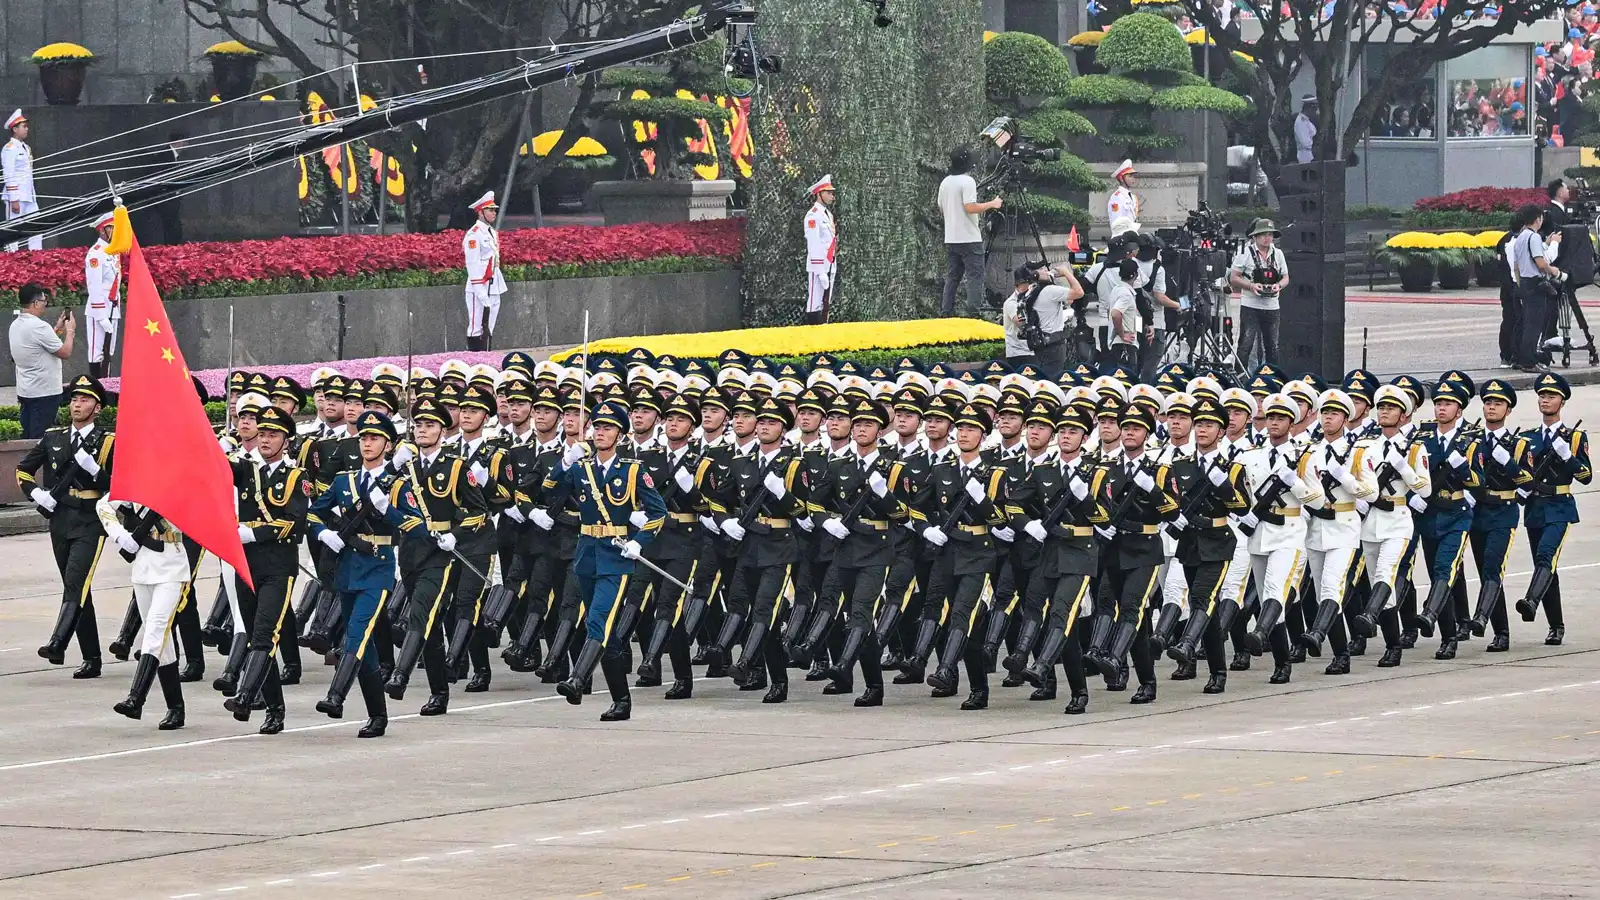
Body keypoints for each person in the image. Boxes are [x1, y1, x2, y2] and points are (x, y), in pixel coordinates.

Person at [540, 399, 667, 721]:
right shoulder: (581, 469)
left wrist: (639, 541)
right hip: (585, 553)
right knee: (605, 632)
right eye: (596, 426)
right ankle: (621, 700)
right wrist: (564, 462)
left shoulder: (633, 470)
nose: (600, 432)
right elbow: (548, 491)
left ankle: (578, 679)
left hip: (616, 557)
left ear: (620, 435)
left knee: (598, 619)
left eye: (607, 427)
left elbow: (658, 513)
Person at [308, 410, 407, 738]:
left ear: (388, 445)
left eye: (375, 438)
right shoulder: (343, 482)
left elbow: (414, 526)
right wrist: (324, 533)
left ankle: (335, 696)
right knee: (366, 648)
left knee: (358, 633)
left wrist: (386, 509)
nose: (367, 443)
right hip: (348, 568)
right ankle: (378, 715)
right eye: (363, 437)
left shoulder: (397, 484)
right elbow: (312, 515)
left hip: (378, 569)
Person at [16, 374, 114, 677]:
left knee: (75, 581)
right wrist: (37, 494)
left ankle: (58, 642)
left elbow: (119, 486)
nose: (77, 404)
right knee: (77, 587)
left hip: (90, 519)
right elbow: (23, 471)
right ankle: (92, 658)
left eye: (84, 399)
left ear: (97, 408)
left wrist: (95, 471)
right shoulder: (54, 437)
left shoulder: (109, 441)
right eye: (74, 399)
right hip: (60, 519)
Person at [223, 406, 310, 734]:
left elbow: (294, 523)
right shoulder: (245, 470)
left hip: (277, 566)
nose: (265, 439)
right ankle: (275, 709)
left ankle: (246, 696)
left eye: (272, 434)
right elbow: (214, 467)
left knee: (264, 634)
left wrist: (253, 532)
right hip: (246, 565)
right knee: (256, 638)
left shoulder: (295, 477)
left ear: (285, 439)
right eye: (262, 434)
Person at [98, 496, 190, 730]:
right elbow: (103, 504)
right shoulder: (137, 482)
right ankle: (176, 708)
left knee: (155, 629)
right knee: (162, 640)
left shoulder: (181, 483)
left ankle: (136, 697)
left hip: (172, 565)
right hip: (142, 566)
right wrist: (120, 535)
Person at [1516, 372, 1591, 646]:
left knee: (1546, 556)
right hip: (1535, 507)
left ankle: (1531, 601)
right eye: (1542, 396)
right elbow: (1520, 473)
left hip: (1559, 507)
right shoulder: (1528, 438)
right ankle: (1555, 626)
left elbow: (1585, 476)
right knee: (1546, 567)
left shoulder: (1573, 437)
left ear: (1562, 401)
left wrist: (1567, 456)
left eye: (1552, 396)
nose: (1546, 400)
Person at [939, 145, 1002, 316]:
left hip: (951, 238)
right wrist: (992, 204)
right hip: (969, 238)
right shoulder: (968, 181)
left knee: (952, 277)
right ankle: (973, 315)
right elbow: (970, 207)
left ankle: (946, 312)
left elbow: (941, 208)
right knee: (975, 276)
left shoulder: (945, 182)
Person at [9, 283, 73, 438]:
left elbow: (39, 345)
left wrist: (57, 329)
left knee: (29, 436)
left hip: (26, 391)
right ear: (36, 303)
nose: (45, 305)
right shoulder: (39, 327)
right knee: (39, 441)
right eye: (44, 301)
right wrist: (70, 330)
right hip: (44, 393)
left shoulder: (15, 324)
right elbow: (65, 352)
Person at [1003, 261, 1083, 377]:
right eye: (1044, 270)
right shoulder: (1049, 291)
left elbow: (1069, 299)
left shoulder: (1029, 294)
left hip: (1040, 344)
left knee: (1041, 378)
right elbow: (1079, 292)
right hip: (1052, 343)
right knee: (1051, 381)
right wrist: (1066, 272)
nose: (1049, 272)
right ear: (1036, 275)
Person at [1230, 219, 1289, 370]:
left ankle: (1272, 377)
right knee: (1246, 344)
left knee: (1272, 346)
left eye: (1270, 235)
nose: (1267, 238)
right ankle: (1240, 378)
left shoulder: (1278, 254)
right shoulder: (1245, 253)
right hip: (1250, 305)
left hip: (1272, 306)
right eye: (1263, 235)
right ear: (1255, 237)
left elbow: (1285, 277)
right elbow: (1234, 277)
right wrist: (1250, 286)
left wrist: (1278, 285)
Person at [1510, 204, 1562, 373]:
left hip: (1524, 282)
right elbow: (1540, 262)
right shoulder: (1533, 237)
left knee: (1526, 323)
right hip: (1536, 283)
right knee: (1535, 325)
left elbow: (1517, 266)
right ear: (1538, 219)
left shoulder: (1520, 238)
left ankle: (1520, 358)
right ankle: (1529, 362)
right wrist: (1552, 270)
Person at [462, 191, 505, 351]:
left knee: (489, 327)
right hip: (478, 287)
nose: (494, 212)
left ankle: (486, 359)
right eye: (490, 210)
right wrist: (480, 292)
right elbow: (472, 265)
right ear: (481, 212)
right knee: (476, 326)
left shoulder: (492, 233)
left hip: (494, 285)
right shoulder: (474, 235)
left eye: (495, 210)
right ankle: (475, 362)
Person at [83, 211, 122, 380]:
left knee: (109, 351)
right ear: (102, 230)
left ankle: (106, 386)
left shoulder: (114, 251)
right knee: (96, 351)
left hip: (113, 305)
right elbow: (94, 286)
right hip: (98, 308)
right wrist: (101, 316)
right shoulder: (95, 254)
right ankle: (95, 385)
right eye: (111, 228)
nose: (115, 232)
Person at [2, 109, 39, 251]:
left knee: (36, 225)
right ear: (15, 129)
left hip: (29, 194)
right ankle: (12, 259)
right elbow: (8, 173)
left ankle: (37, 255)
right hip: (17, 195)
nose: (27, 129)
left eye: (27, 126)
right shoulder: (9, 148)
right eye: (24, 126)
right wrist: (14, 199)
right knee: (14, 228)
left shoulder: (25, 147)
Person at [803, 175, 838, 325]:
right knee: (814, 303)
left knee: (825, 305)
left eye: (832, 192)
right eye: (828, 192)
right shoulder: (813, 216)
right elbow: (813, 244)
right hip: (818, 266)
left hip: (829, 263)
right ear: (819, 194)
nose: (832, 196)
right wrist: (820, 271)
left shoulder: (827, 214)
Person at [1103, 258, 1143, 368]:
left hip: (1117, 344)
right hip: (1125, 345)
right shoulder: (1125, 294)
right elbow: (1115, 313)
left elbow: (1109, 311)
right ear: (1134, 274)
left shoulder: (1116, 290)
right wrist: (1122, 334)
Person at [1106, 160, 1139, 231]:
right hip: (1121, 238)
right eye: (1130, 176)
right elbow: (1117, 223)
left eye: (1134, 176)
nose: (1133, 179)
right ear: (1121, 179)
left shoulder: (1132, 197)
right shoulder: (1117, 197)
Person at [1295, 96, 1318, 162]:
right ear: (1309, 108)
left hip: (1310, 155)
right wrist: (1317, 145)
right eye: (1314, 109)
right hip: (1304, 156)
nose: (1315, 111)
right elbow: (1305, 143)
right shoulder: (1300, 122)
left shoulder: (1307, 121)